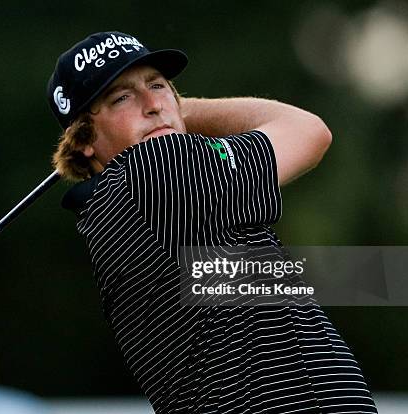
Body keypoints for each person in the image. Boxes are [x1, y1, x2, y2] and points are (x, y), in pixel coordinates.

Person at [47, 31, 378, 413]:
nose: (153, 104)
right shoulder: (156, 169)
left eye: (158, 85)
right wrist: (180, 111)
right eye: (121, 97)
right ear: (84, 138)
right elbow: (308, 132)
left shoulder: (114, 208)